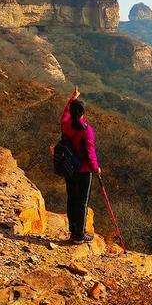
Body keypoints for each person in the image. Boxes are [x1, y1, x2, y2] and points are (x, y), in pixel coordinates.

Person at [60, 86, 100, 244]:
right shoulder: (86, 130)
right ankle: (79, 235)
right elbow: (90, 152)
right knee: (83, 201)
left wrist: (73, 98)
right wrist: (95, 167)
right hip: (83, 170)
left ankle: (73, 231)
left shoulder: (65, 124)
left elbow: (65, 113)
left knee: (72, 198)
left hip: (69, 168)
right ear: (83, 113)